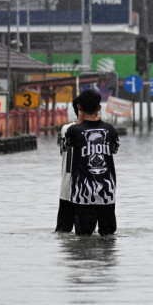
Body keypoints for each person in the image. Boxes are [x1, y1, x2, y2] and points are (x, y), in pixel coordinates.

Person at [64, 89, 120, 236]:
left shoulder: (73, 130)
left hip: (82, 194)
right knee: (108, 239)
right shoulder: (110, 130)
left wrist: (79, 122)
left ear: (79, 107)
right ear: (99, 107)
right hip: (106, 193)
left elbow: (64, 147)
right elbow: (115, 149)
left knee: (83, 240)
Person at [55, 94, 83, 232]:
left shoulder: (66, 129)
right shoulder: (95, 130)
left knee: (62, 230)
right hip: (85, 192)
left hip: (66, 189)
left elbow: (62, 152)